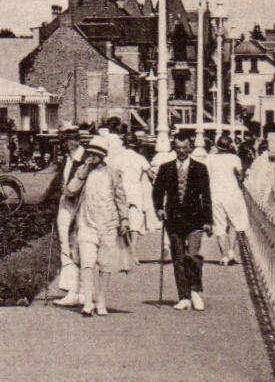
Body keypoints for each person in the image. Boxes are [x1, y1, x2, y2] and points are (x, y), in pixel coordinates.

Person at [69, 136, 137, 317]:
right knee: (87, 263)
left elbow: (120, 198)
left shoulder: (113, 173)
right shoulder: (83, 172)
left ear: (103, 156)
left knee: (105, 265)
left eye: (95, 154)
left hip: (108, 223)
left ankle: (101, 300)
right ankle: (88, 302)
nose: (91, 157)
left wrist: (124, 219)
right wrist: (83, 170)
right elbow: (70, 191)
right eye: (89, 153)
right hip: (86, 223)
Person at [153, 134, 214, 311]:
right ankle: (184, 296)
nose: (181, 151)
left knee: (192, 256)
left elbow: (206, 195)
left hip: (195, 219)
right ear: (174, 148)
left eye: (184, 148)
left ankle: (194, 290)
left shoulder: (200, 168)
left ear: (190, 148)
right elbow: (157, 191)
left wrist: (208, 220)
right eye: (178, 148)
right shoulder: (166, 168)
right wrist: (159, 208)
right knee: (178, 258)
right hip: (173, 219)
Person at [49, 126, 87, 307]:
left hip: (76, 206)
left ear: (72, 142)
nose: (64, 146)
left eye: (65, 142)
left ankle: (75, 291)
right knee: (69, 245)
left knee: (72, 246)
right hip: (66, 205)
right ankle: (77, 290)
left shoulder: (83, 160)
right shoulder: (70, 159)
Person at [205, 137, 248, 266]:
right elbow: (240, 176)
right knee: (235, 223)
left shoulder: (209, 158)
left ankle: (223, 256)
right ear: (230, 147)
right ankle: (231, 251)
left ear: (217, 147)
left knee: (219, 225)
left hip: (215, 193)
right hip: (232, 193)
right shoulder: (234, 158)